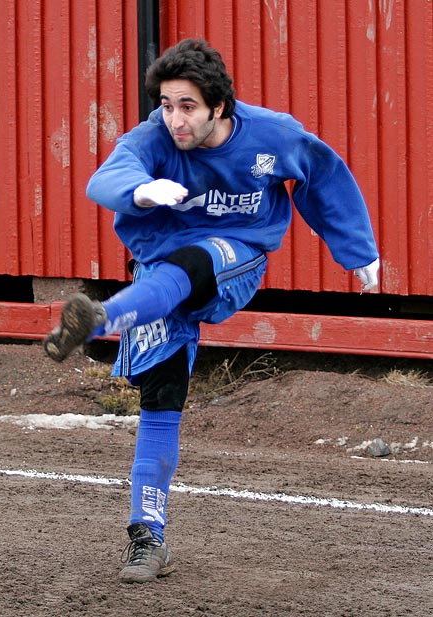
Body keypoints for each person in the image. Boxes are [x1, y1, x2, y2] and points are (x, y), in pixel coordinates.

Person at [43, 38, 380, 583]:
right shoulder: (153, 135)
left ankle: (103, 318)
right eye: (167, 105)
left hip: (235, 258)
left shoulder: (272, 134)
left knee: (196, 261)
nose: (174, 118)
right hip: (155, 279)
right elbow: (103, 179)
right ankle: (146, 538)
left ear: (219, 106)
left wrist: (358, 249)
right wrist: (144, 189)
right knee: (161, 400)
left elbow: (324, 176)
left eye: (188, 107)